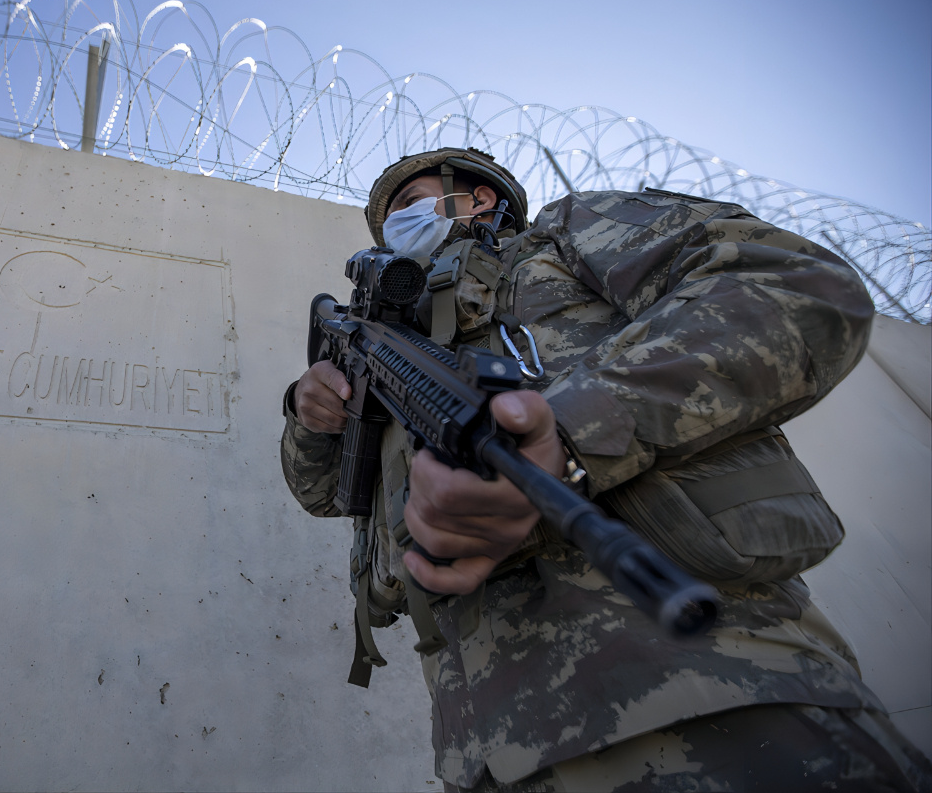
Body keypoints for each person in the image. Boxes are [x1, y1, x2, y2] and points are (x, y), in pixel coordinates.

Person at [280, 147, 932, 791]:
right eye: (387, 216)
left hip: (715, 688)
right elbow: (320, 493)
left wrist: (572, 432)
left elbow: (794, 284)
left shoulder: (558, 240)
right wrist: (309, 415)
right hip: (488, 758)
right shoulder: (387, 351)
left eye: (409, 200)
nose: (397, 220)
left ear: (477, 196)